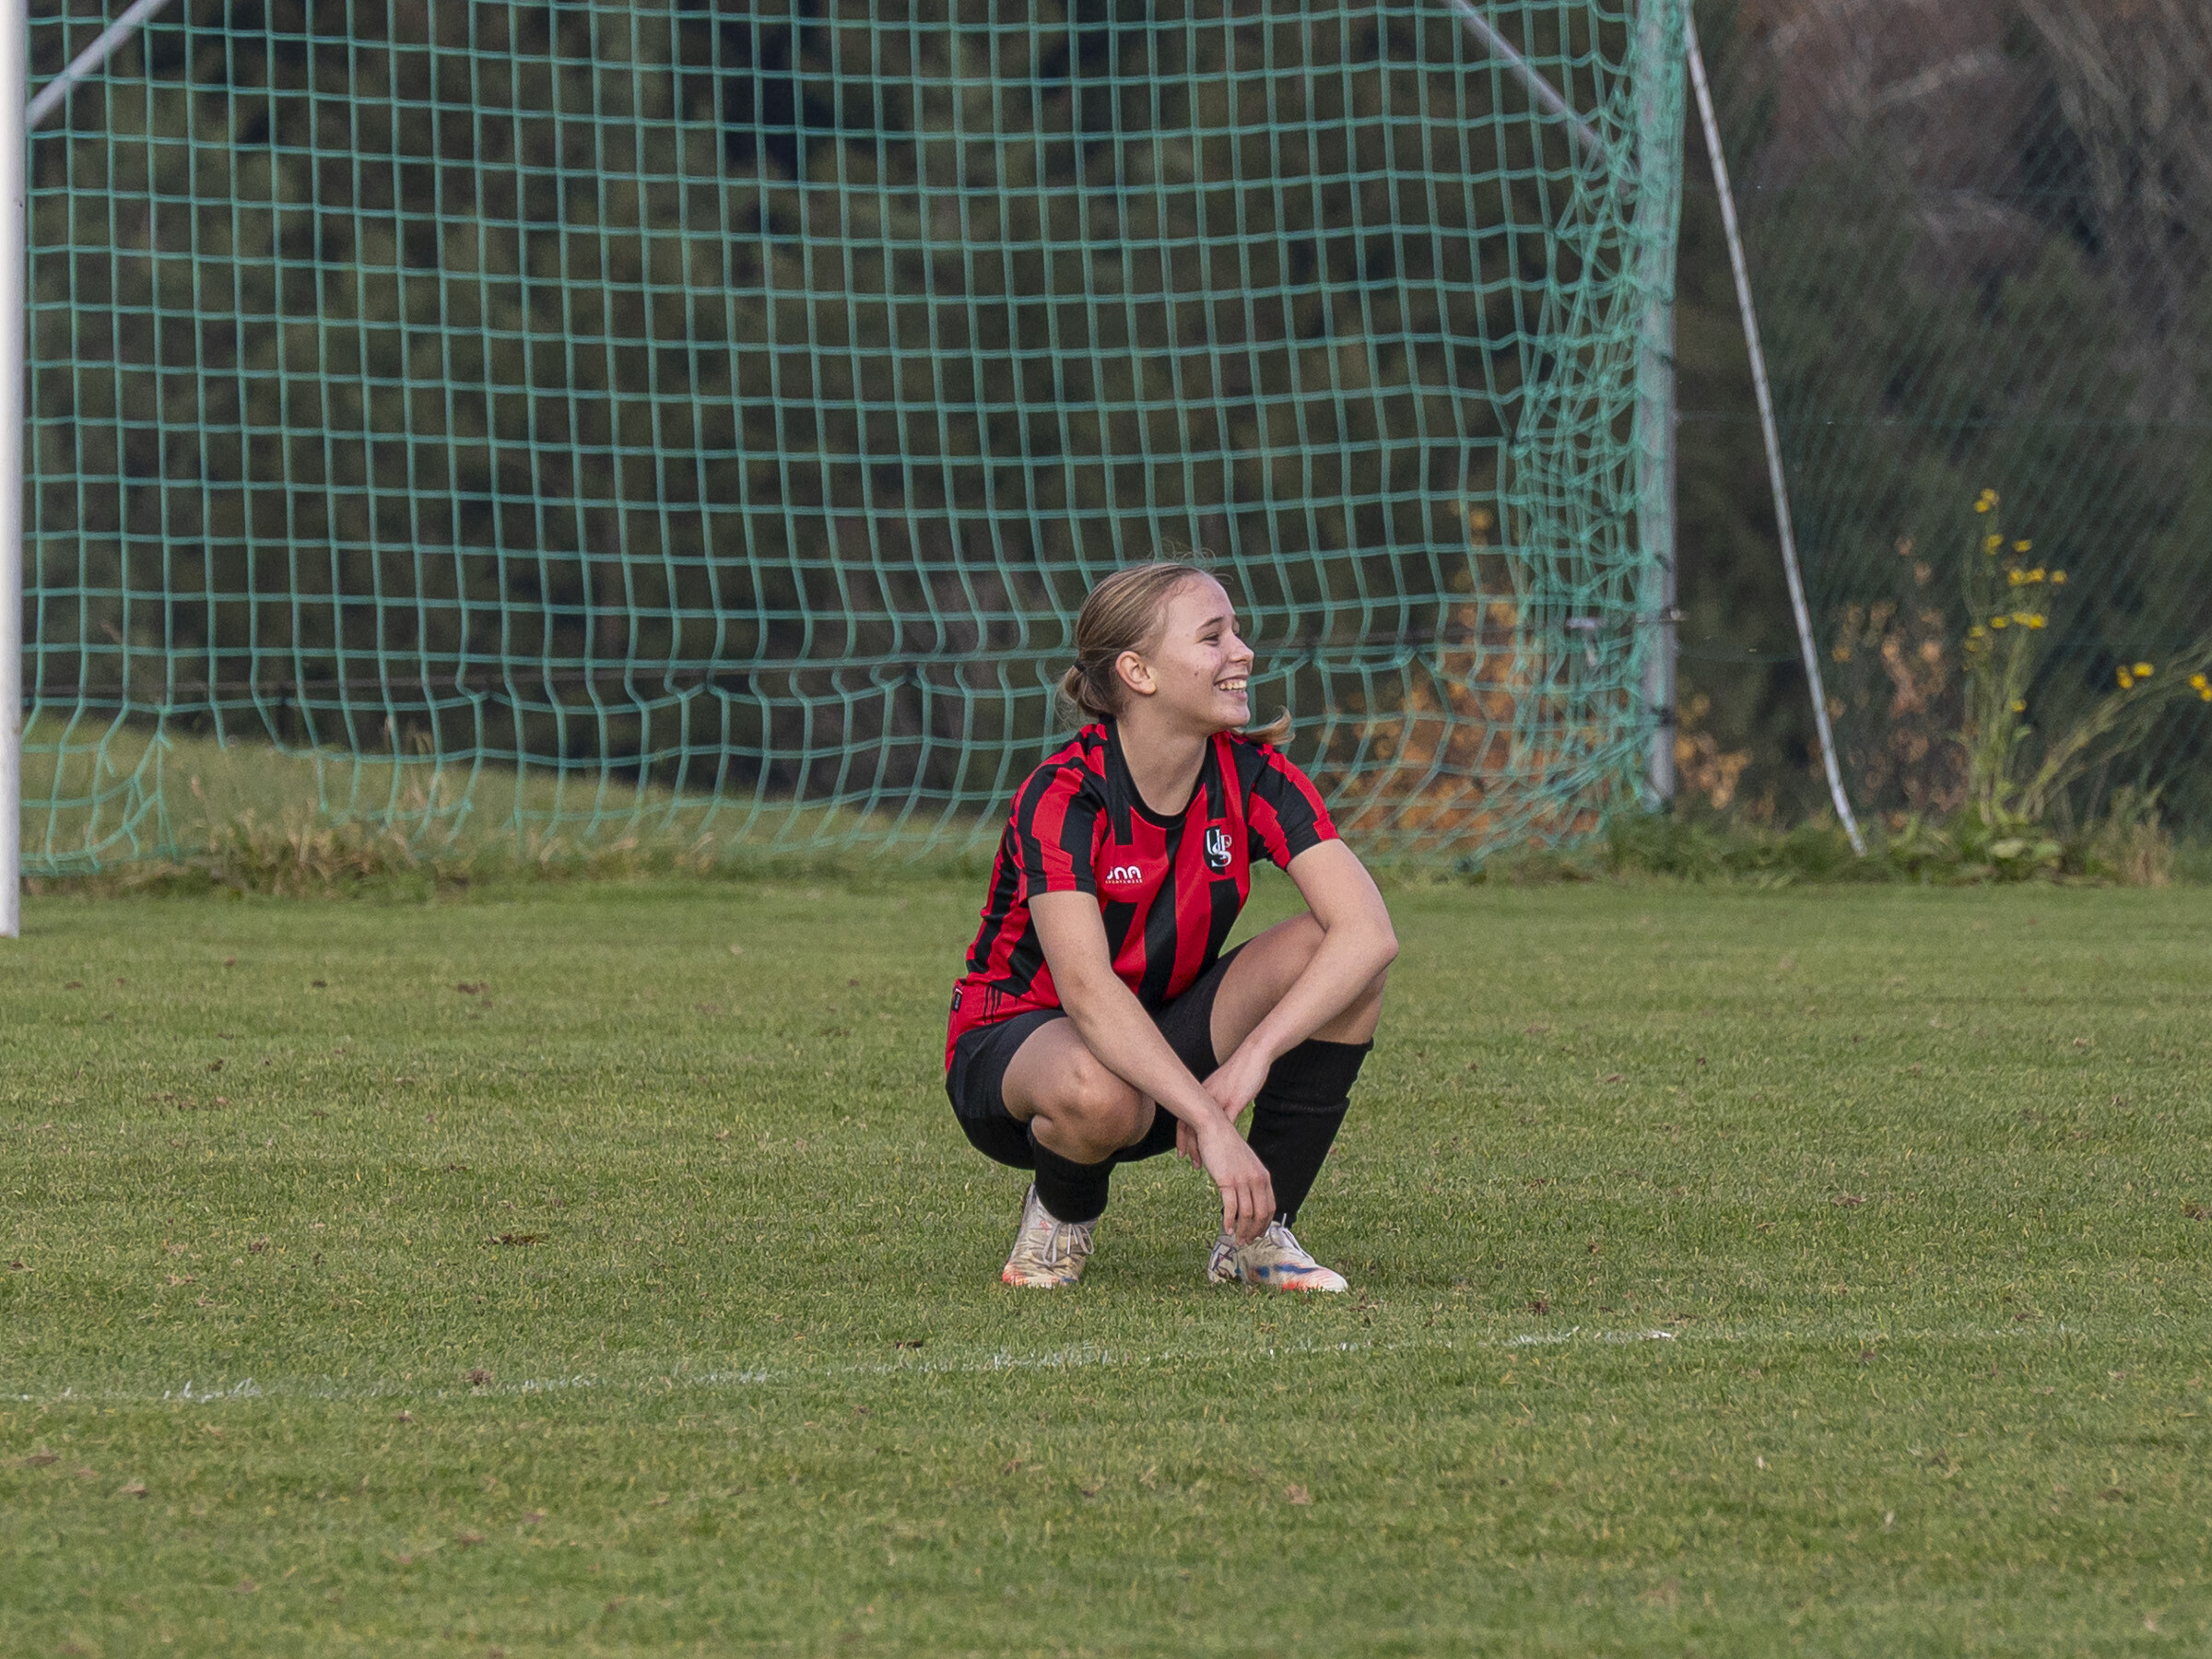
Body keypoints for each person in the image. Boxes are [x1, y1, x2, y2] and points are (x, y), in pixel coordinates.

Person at [944, 560, 1397, 1290]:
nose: (1242, 653)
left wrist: (1253, 1058)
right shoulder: (1064, 794)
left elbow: (1369, 933)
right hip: (1021, 1057)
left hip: (1163, 1044)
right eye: (1213, 638)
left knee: (1339, 955)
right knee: (1099, 1090)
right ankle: (1060, 1214)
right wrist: (1211, 1122)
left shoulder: (1254, 775)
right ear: (1139, 672)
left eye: (1236, 632)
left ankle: (1257, 1239)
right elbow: (1087, 993)